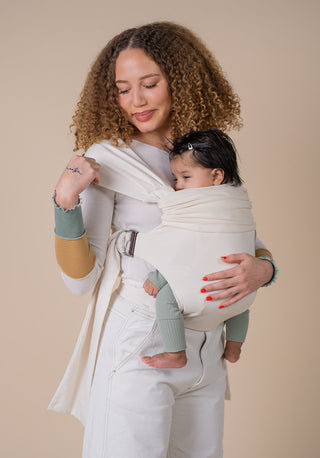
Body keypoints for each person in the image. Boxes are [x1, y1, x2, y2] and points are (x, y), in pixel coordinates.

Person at [49, 22, 277, 458]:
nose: (136, 100)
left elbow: (232, 233)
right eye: (123, 89)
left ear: (181, 81)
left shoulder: (203, 153)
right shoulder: (106, 159)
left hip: (207, 345)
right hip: (143, 333)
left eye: (150, 84)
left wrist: (265, 269)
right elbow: (80, 280)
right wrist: (64, 202)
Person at [142, 128, 251, 369]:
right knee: (240, 305)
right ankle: (234, 345)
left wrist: (159, 277)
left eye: (186, 177)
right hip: (236, 285)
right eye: (175, 179)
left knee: (166, 298)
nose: (178, 186)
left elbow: (184, 247)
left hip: (207, 281)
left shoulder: (201, 208)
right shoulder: (237, 199)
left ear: (216, 176)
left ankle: (175, 353)